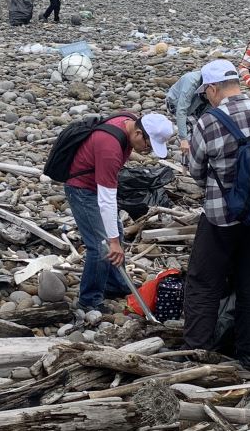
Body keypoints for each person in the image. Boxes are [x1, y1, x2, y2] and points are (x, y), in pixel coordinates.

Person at [182, 60, 250, 369]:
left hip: (221, 217)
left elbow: (197, 171)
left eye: (206, 93)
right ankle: (249, 357)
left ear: (213, 89)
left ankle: (196, 354)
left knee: (204, 282)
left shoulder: (209, 120)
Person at [63, 110, 174, 320]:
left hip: (94, 184)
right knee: (100, 246)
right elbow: (106, 199)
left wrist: (116, 238)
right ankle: (89, 300)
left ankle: (113, 283)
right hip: (82, 189)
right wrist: (112, 242)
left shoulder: (129, 120)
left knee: (117, 233)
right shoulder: (110, 147)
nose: (148, 151)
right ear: (139, 133)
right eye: (149, 146)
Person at [164, 68, 210, 146]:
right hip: (175, 103)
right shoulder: (191, 82)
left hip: (199, 101)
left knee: (207, 124)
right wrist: (183, 139)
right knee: (195, 130)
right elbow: (181, 111)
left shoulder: (217, 82)